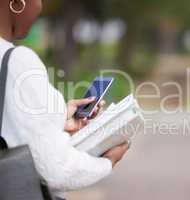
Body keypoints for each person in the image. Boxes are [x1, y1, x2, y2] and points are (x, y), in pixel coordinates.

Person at [0, 0, 129, 199]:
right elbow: (55, 168)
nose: (40, 7)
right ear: (17, 2)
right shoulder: (18, 61)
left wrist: (57, 118)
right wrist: (108, 162)